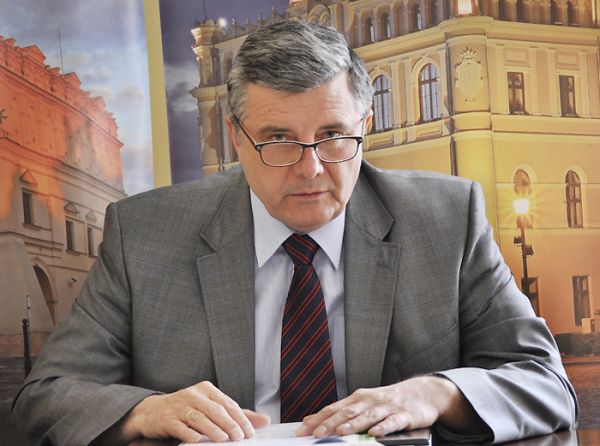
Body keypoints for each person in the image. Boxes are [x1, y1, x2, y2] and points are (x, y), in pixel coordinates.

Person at [13, 20, 576, 446]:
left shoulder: (447, 218)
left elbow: (545, 383)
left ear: (365, 126)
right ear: (237, 137)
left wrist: (438, 392)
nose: (310, 169)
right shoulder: (145, 233)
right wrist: (144, 412)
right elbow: (45, 397)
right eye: (278, 139)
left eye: (333, 135)